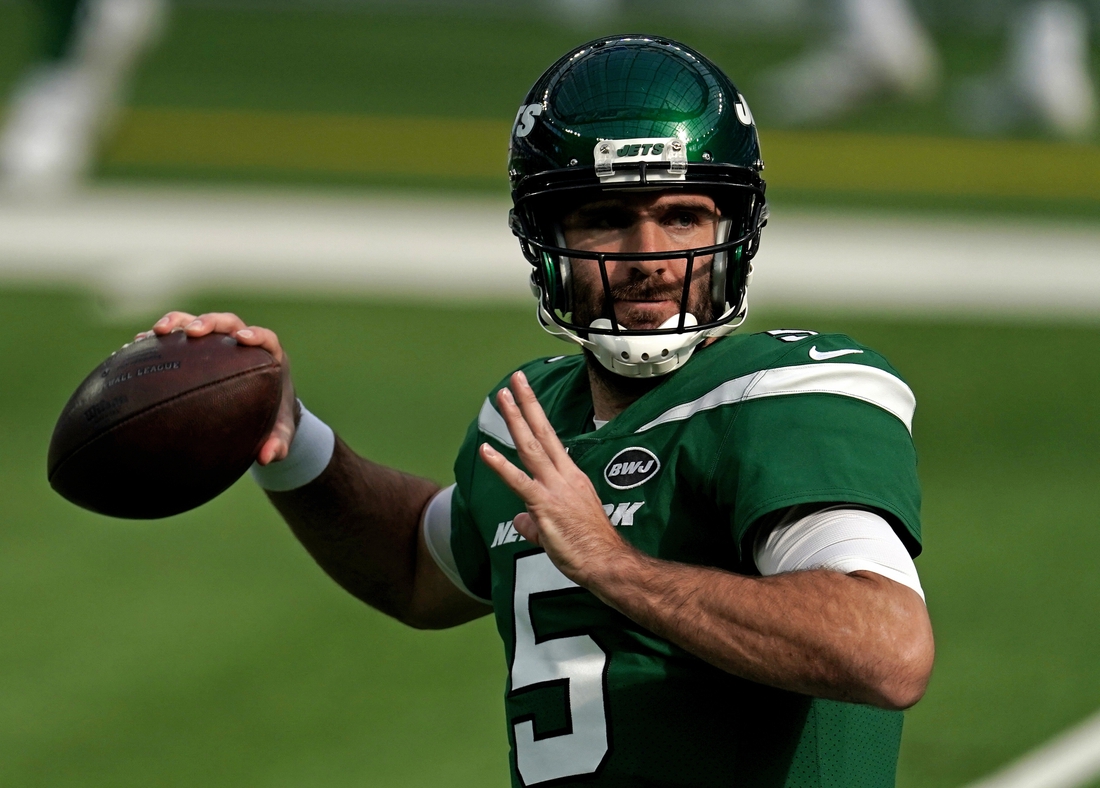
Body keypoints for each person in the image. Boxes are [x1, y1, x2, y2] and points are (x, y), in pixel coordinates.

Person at [148, 35, 934, 788]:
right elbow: (419, 569)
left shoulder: (783, 398)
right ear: (544, 236)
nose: (649, 256)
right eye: (604, 219)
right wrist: (288, 436)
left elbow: (887, 649)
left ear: (734, 229)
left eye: (683, 216)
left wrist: (613, 565)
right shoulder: (532, 420)